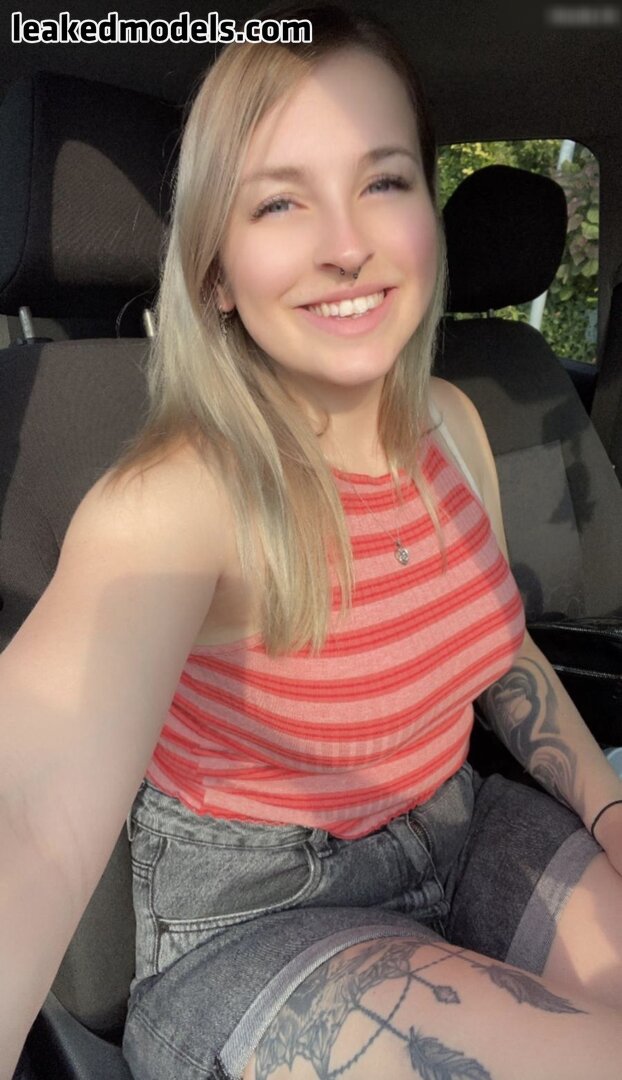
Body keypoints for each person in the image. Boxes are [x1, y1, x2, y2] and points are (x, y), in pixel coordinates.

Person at [2, 4, 622, 1079]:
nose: (346, 244)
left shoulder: (453, 426)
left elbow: (502, 655)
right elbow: (32, 823)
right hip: (258, 921)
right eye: (280, 201)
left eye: (383, 181)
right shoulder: (176, 500)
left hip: (462, 829)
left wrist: (610, 808)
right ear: (215, 273)